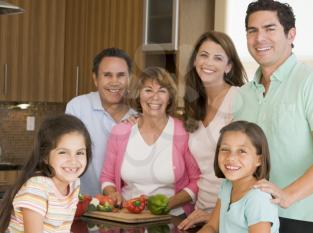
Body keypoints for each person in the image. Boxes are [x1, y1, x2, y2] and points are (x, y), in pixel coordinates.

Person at [233, 0, 313, 232]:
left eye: (270, 29)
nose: (259, 38)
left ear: (291, 34)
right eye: (252, 31)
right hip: (252, 218)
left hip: (303, 219)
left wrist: (287, 195)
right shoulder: (242, 94)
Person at [100, 66, 200, 216]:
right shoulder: (120, 131)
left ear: (169, 97)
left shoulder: (183, 132)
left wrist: (166, 205)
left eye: (162, 91)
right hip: (129, 216)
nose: (155, 97)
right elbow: (107, 177)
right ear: (138, 95)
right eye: (148, 90)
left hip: (172, 217)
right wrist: (113, 193)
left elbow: (196, 181)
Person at [178, 31, 247, 229]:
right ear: (194, 60)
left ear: (228, 66)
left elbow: (246, 168)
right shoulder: (194, 104)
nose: (208, 62)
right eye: (203, 55)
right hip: (201, 210)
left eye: (218, 58)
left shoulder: (238, 99)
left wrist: (216, 216)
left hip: (231, 212)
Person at [0, 114, 92, 233]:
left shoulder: (74, 183)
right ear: (45, 156)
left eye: (79, 153)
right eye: (63, 152)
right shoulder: (37, 188)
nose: (73, 161)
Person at [66, 48, 137, 196]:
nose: (114, 82)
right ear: (95, 78)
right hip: (83, 202)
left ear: (129, 78)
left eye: (121, 75)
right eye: (107, 75)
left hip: (125, 207)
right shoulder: (78, 107)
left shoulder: (137, 118)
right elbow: (65, 156)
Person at [199, 121, 279, 233]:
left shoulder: (258, 199)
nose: (231, 158)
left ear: (259, 160)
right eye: (225, 149)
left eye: (242, 151)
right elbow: (212, 227)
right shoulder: (226, 186)